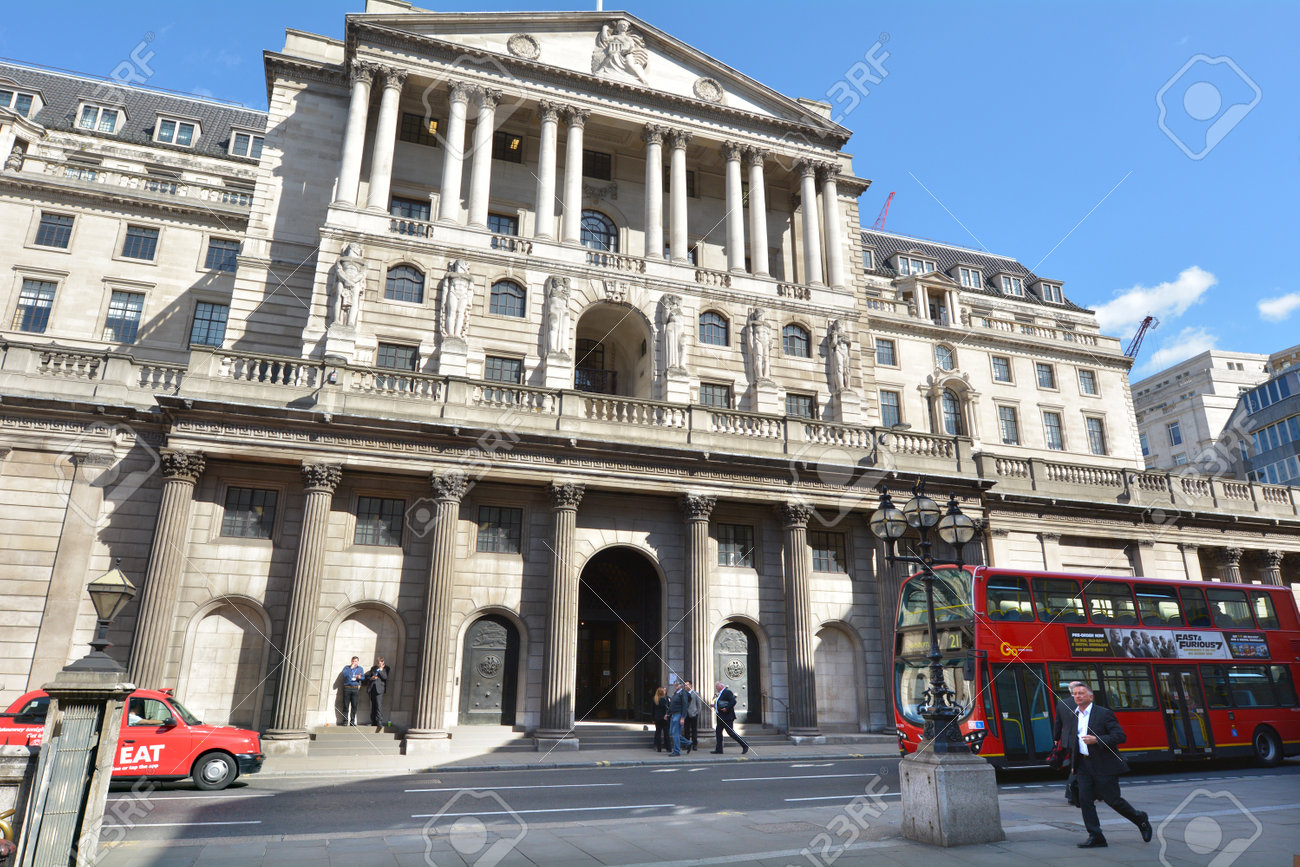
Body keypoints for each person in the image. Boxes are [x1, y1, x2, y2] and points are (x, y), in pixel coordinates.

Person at [1064, 680, 1151, 848]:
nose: (1077, 696)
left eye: (1081, 693)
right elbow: (1075, 742)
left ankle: (1140, 818)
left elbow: (1120, 736)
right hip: (1083, 765)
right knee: (1084, 800)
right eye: (1074, 694)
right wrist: (1074, 765)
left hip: (1103, 764)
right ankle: (1096, 836)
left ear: (1091, 696)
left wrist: (1097, 740)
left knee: (1113, 800)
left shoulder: (1103, 714)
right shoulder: (1074, 715)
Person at [711, 681, 749, 754]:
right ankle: (719, 749)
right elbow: (720, 703)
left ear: (721, 686)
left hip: (727, 716)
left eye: (717, 686)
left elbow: (733, 701)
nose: (716, 688)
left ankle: (744, 745)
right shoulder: (720, 694)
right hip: (720, 716)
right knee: (718, 732)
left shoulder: (727, 692)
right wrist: (714, 705)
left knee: (730, 732)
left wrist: (727, 708)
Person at [667, 681, 691, 756]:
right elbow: (672, 705)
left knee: (675, 733)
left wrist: (683, 717)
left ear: (680, 686)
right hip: (673, 715)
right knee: (672, 732)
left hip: (679, 715)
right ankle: (688, 742)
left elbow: (685, 706)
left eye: (676, 685)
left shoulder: (683, 693)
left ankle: (676, 751)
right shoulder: (676, 693)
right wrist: (667, 713)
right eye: (674, 685)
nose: (675, 686)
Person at [365, 656, 389, 727]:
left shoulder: (386, 668)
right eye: (378, 662)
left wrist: (381, 669)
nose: (379, 664)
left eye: (380, 662)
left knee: (379, 705)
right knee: (372, 706)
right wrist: (371, 678)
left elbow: (385, 677)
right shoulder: (373, 668)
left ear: (383, 662)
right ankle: (373, 721)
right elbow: (367, 676)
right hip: (372, 688)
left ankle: (379, 721)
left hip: (379, 689)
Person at [340, 656, 364, 726]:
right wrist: (351, 668)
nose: (354, 662)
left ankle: (352, 721)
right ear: (351, 661)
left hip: (355, 688)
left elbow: (363, 677)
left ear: (358, 662)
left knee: (354, 705)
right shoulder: (347, 668)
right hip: (347, 688)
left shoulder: (360, 669)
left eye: (356, 661)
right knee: (346, 705)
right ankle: (345, 721)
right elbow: (344, 675)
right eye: (353, 661)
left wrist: (360, 677)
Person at [683, 680, 702, 750]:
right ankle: (687, 744)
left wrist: (697, 713)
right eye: (685, 685)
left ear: (691, 685)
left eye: (687, 685)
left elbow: (699, 705)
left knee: (694, 730)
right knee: (686, 730)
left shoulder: (695, 693)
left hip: (693, 714)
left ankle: (694, 744)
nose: (686, 686)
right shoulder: (683, 694)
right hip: (685, 715)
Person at [651, 687, 670, 752]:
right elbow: (667, 709)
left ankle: (659, 748)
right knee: (666, 733)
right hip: (664, 718)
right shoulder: (665, 700)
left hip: (657, 718)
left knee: (658, 733)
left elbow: (653, 710)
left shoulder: (655, 699)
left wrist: (653, 718)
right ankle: (668, 747)